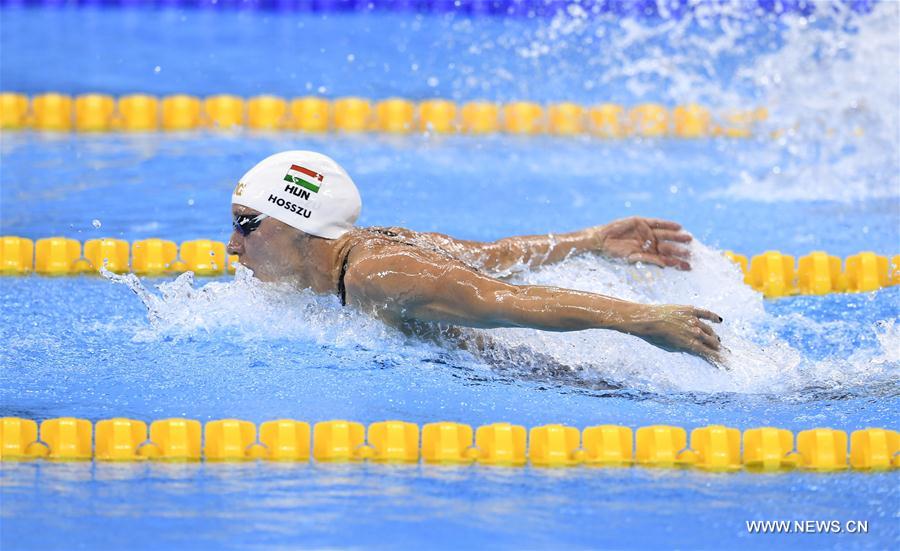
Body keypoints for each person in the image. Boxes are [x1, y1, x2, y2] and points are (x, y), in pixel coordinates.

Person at [227, 151, 723, 364]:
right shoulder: (375, 243)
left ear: (301, 224)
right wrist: (592, 239)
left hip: (529, 374)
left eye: (247, 223)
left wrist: (640, 319)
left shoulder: (378, 272)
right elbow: (494, 255)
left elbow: (507, 299)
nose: (232, 244)